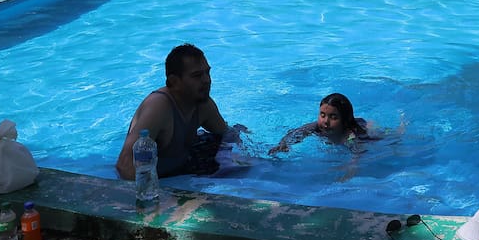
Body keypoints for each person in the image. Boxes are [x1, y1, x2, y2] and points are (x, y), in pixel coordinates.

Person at [115, 43, 245, 179]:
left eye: (207, 72)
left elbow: (225, 133)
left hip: (185, 162)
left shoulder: (202, 103)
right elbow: (124, 164)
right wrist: (158, 196)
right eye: (197, 75)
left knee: (242, 163)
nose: (206, 80)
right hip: (161, 175)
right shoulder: (158, 106)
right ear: (174, 81)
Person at [270, 92, 369, 154]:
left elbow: (357, 157)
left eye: (333, 117)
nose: (326, 121)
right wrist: (283, 144)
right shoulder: (316, 127)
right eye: (322, 115)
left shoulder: (350, 136)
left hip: (361, 125)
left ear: (344, 120)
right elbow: (295, 134)